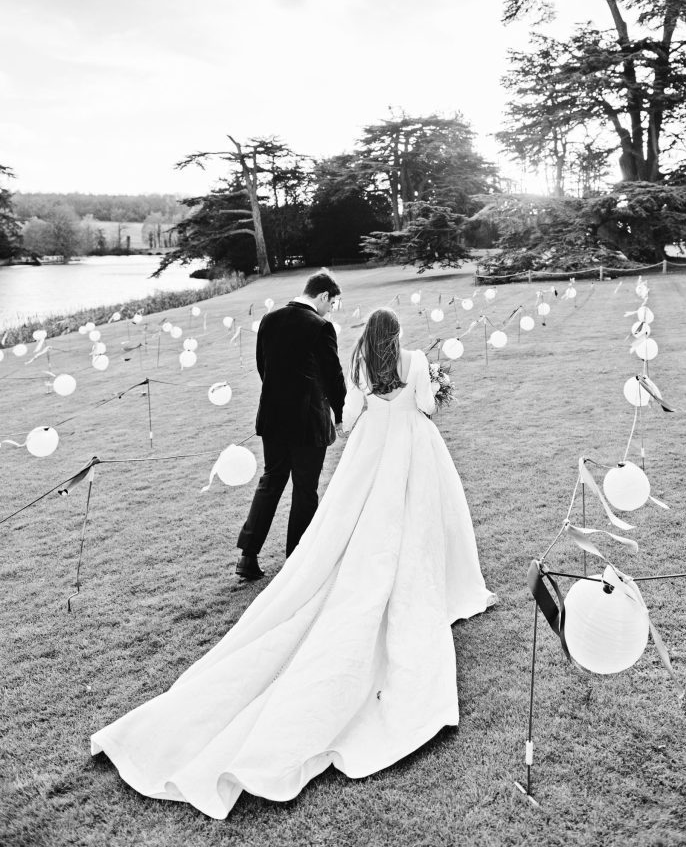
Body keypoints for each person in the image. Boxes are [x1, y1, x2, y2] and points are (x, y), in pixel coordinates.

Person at [90, 307, 496, 819]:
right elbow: (426, 409)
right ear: (398, 335)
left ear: (370, 336)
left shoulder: (362, 362)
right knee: (417, 521)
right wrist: (434, 388)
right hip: (412, 448)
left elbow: (357, 408)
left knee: (358, 517)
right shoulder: (414, 361)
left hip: (370, 451)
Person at [235, 269, 346, 581]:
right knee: (305, 489)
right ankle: (297, 558)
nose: (331, 309)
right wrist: (340, 413)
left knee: (271, 480)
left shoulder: (269, 320)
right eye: (333, 303)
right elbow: (333, 376)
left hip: (272, 417)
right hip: (308, 421)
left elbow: (263, 367)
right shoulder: (321, 326)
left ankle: (248, 556)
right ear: (323, 295)